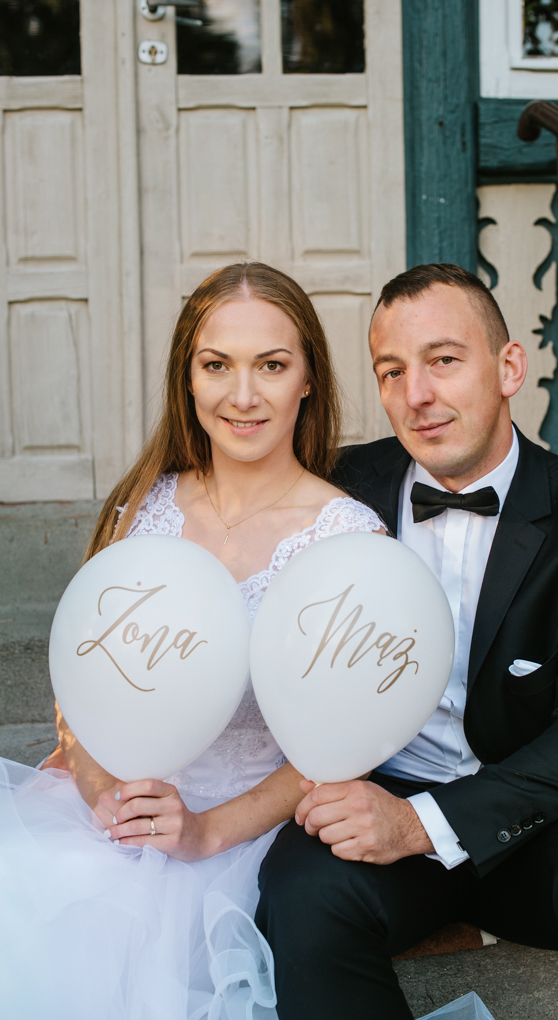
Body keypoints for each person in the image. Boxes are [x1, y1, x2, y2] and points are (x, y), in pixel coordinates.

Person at [255, 263, 558, 1020]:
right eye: (392, 371)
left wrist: (423, 824)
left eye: (444, 360)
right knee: (299, 892)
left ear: (509, 367)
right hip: (381, 791)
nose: (416, 394)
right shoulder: (337, 492)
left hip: (543, 817)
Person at [0, 262, 383, 1020]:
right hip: (110, 819)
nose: (242, 396)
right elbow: (81, 675)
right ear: (188, 378)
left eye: (270, 365)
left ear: (308, 378)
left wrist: (204, 834)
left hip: (241, 841)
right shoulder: (141, 507)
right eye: (216, 365)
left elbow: (340, 748)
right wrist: (101, 792)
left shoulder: (346, 539)